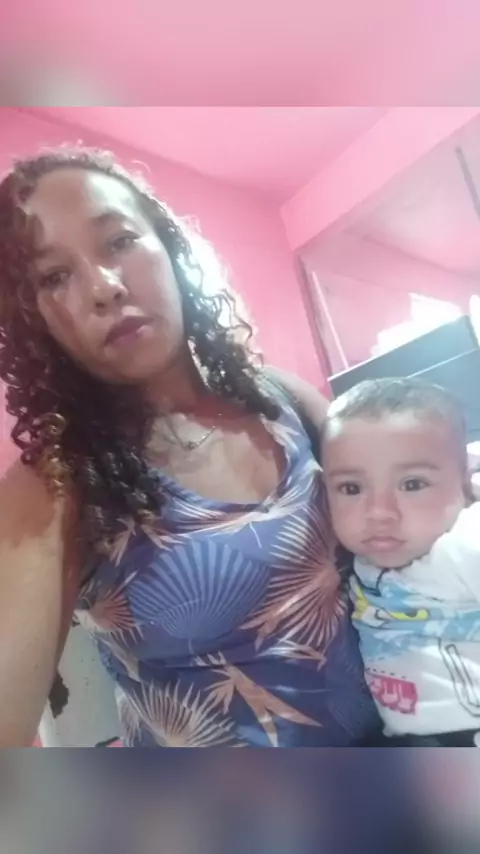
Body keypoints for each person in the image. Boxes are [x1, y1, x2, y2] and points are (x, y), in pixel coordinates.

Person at [0, 146, 380, 747]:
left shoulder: (280, 398)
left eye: (119, 241)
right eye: (54, 277)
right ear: (32, 318)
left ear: (170, 246)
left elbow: (406, 520)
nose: (104, 287)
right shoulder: (58, 482)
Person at [322, 376, 480, 746]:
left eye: (412, 484)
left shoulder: (465, 544)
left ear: (464, 482)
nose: (379, 512)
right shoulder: (359, 560)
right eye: (351, 488)